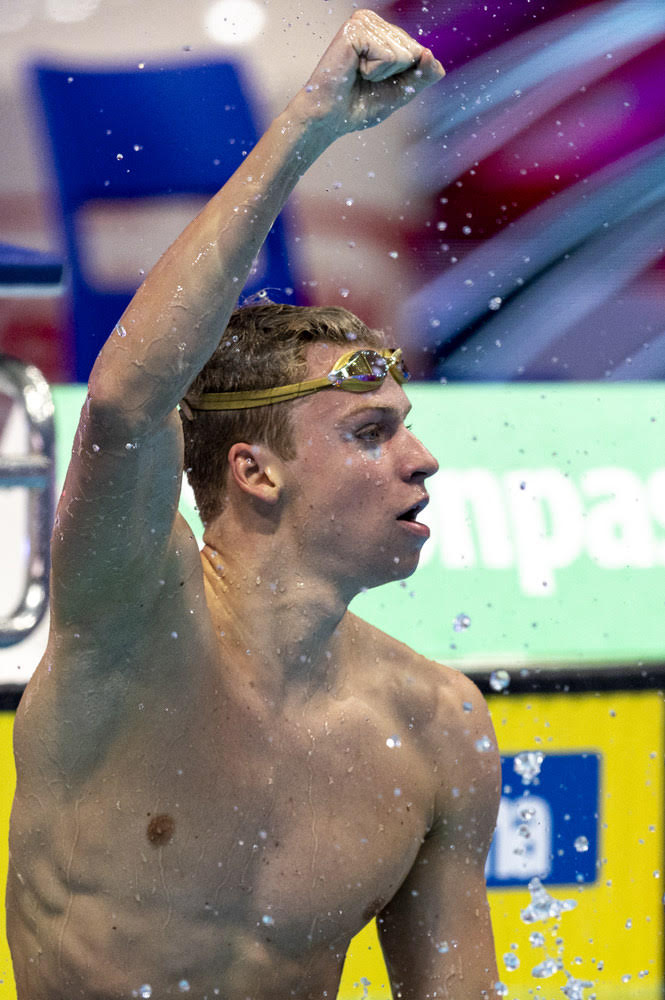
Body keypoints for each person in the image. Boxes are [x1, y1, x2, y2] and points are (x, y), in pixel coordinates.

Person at [7, 10, 500, 1000]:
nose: (425, 459)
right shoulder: (132, 626)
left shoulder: (436, 724)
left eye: (404, 423)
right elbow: (125, 398)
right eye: (370, 433)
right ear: (255, 472)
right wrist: (308, 126)